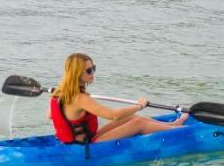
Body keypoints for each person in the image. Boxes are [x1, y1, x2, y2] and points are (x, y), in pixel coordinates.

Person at [50, 53, 187, 146]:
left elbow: (51, 115)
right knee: (138, 123)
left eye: (93, 68)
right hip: (86, 146)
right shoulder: (79, 98)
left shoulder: (59, 93)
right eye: (89, 71)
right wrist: (139, 105)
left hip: (86, 139)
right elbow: (113, 116)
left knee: (131, 117)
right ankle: (183, 132)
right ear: (77, 74)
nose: (93, 73)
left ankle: (173, 125)